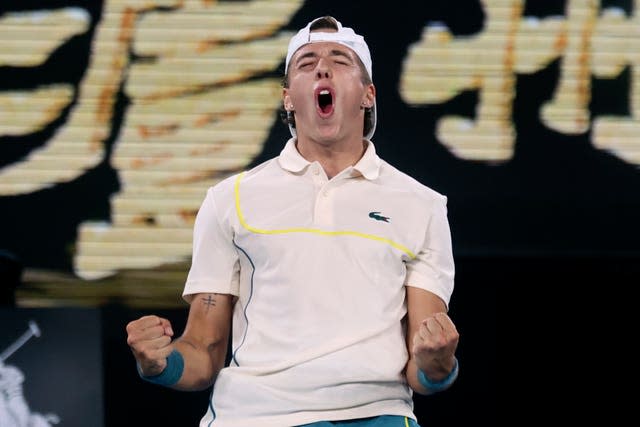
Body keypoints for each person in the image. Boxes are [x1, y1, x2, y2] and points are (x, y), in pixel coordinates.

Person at [126, 16, 459, 427]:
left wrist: (437, 361)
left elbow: (424, 370)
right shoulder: (229, 199)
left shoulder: (421, 204)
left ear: (368, 94)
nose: (322, 67)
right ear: (288, 99)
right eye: (306, 63)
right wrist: (160, 363)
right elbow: (203, 351)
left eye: (340, 60)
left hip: (377, 414)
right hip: (251, 416)